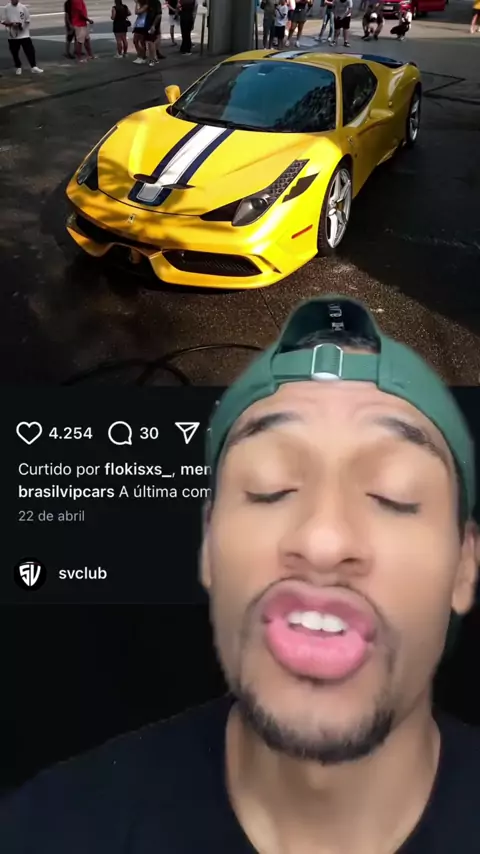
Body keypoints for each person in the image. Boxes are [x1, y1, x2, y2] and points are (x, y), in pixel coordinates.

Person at [1, 294, 480, 854]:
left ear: (465, 563)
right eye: (268, 488)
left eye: (392, 495)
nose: (322, 541)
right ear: (207, 545)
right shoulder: (48, 828)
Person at [1, 0, 43, 75]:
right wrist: (11, 24)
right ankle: (18, 67)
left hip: (24, 34)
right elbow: (3, 20)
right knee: (14, 52)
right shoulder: (7, 8)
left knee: (30, 51)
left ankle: (33, 67)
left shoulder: (23, 7)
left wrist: (21, 26)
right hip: (12, 35)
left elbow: (27, 19)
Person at [144, 0, 163, 65]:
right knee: (151, 41)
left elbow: (159, 15)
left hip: (151, 24)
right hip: (149, 23)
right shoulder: (149, 2)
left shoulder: (155, 2)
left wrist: (153, 25)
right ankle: (154, 58)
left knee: (150, 42)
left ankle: (152, 59)